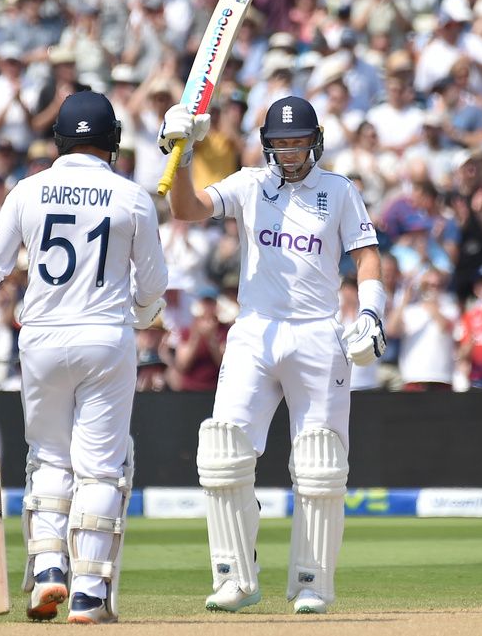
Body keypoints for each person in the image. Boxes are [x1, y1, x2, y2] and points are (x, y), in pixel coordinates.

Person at [0, 91, 168, 624]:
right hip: (104, 338)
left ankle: (49, 569)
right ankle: (89, 594)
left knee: (49, 458)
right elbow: (155, 285)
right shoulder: (131, 195)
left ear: (59, 139)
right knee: (98, 468)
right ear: (112, 140)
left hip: (41, 337)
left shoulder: (29, 190)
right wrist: (142, 310)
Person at [160, 95, 385, 615]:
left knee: (320, 462)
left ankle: (312, 583)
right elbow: (187, 209)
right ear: (267, 145)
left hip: (317, 334)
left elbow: (367, 256)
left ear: (315, 142)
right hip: (255, 330)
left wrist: (371, 314)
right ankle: (236, 577)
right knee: (222, 450)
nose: (288, 153)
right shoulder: (249, 183)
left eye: (298, 143)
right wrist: (183, 151)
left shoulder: (339, 190)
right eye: (280, 144)